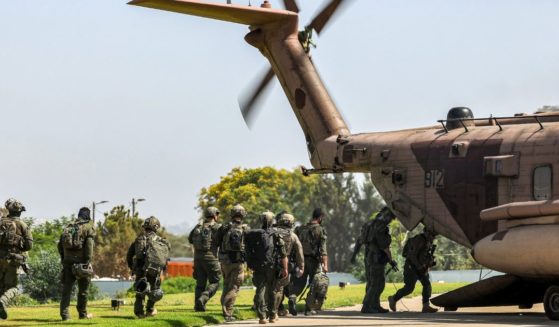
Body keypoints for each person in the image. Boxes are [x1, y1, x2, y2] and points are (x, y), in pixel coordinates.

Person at [248, 211, 288, 324]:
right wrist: (285, 269)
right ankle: (272, 315)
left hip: (258, 267)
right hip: (272, 267)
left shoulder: (253, 234)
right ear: (272, 220)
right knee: (273, 291)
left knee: (260, 290)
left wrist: (250, 264)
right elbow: (283, 254)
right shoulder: (276, 234)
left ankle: (262, 317)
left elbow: (248, 251)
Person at [127, 216, 171, 318]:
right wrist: (163, 269)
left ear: (145, 227)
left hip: (140, 270)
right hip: (155, 271)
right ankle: (150, 310)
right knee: (154, 290)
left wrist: (131, 267)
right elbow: (165, 257)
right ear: (156, 227)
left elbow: (129, 255)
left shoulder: (138, 240)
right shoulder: (161, 241)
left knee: (140, 291)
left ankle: (139, 313)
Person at [355, 207, 396, 313]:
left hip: (368, 256)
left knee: (371, 282)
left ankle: (375, 306)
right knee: (378, 283)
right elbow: (385, 246)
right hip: (376, 258)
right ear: (387, 216)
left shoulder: (369, 224)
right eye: (390, 218)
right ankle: (367, 306)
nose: (390, 221)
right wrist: (391, 260)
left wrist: (354, 254)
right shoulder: (381, 227)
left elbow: (360, 240)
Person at [58, 207, 96, 320]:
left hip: (68, 262)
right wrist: (88, 261)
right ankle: (82, 314)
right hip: (82, 263)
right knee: (83, 291)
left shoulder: (68, 226)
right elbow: (89, 246)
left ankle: (65, 315)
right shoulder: (89, 227)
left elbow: (60, 245)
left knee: (67, 290)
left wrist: (63, 258)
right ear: (88, 216)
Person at [388, 229, 438, 313]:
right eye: (432, 235)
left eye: (434, 236)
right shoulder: (418, 240)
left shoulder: (428, 242)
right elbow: (412, 255)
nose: (433, 238)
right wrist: (419, 267)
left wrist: (428, 263)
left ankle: (426, 306)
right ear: (426, 232)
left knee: (427, 284)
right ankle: (393, 299)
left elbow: (424, 255)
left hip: (420, 267)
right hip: (411, 266)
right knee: (409, 288)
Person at [215, 204, 250, 322]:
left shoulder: (224, 227)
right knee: (234, 287)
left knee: (226, 284)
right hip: (238, 261)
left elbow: (216, 241)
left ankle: (224, 309)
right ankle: (228, 311)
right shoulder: (246, 229)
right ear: (243, 214)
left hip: (225, 261)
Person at [291, 208, 328, 316]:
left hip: (300, 260)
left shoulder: (300, 228)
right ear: (320, 217)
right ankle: (309, 308)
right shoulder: (320, 230)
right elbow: (323, 250)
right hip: (313, 261)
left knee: (299, 283)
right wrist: (325, 265)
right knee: (314, 284)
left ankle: (292, 298)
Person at [0, 199, 33, 320]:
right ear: (19, 212)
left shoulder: (0, 222)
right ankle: (2, 301)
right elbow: (29, 246)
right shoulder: (22, 225)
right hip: (13, 260)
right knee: (13, 287)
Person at [188, 206, 222, 312]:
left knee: (200, 283)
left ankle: (198, 307)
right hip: (211, 259)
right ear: (215, 215)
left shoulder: (198, 227)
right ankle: (203, 298)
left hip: (198, 259)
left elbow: (190, 239)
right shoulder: (217, 227)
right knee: (215, 282)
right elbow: (221, 242)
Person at [275, 212, 304, 317]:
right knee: (288, 285)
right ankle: (292, 298)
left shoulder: (273, 232)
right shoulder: (293, 235)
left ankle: (279, 308)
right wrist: (301, 267)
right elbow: (299, 252)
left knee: (277, 288)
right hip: (288, 264)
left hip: (273, 263)